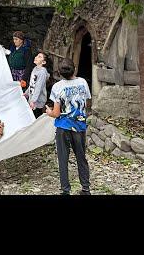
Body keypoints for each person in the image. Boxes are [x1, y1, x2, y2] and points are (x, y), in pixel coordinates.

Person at [46, 57, 91, 195]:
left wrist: (49, 112)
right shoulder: (83, 82)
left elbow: (56, 112)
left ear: (59, 73)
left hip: (63, 127)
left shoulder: (57, 87)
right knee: (81, 157)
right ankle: (85, 188)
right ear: (74, 69)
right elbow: (87, 102)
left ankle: (66, 190)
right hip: (79, 126)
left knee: (63, 159)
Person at [24, 50, 49, 118]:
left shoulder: (42, 72)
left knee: (35, 118)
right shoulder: (35, 69)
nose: (36, 57)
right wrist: (26, 93)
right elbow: (32, 83)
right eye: (37, 56)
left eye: (39, 57)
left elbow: (38, 87)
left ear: (43, 62)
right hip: (32, 97)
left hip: (38, 100)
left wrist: (33, 101)